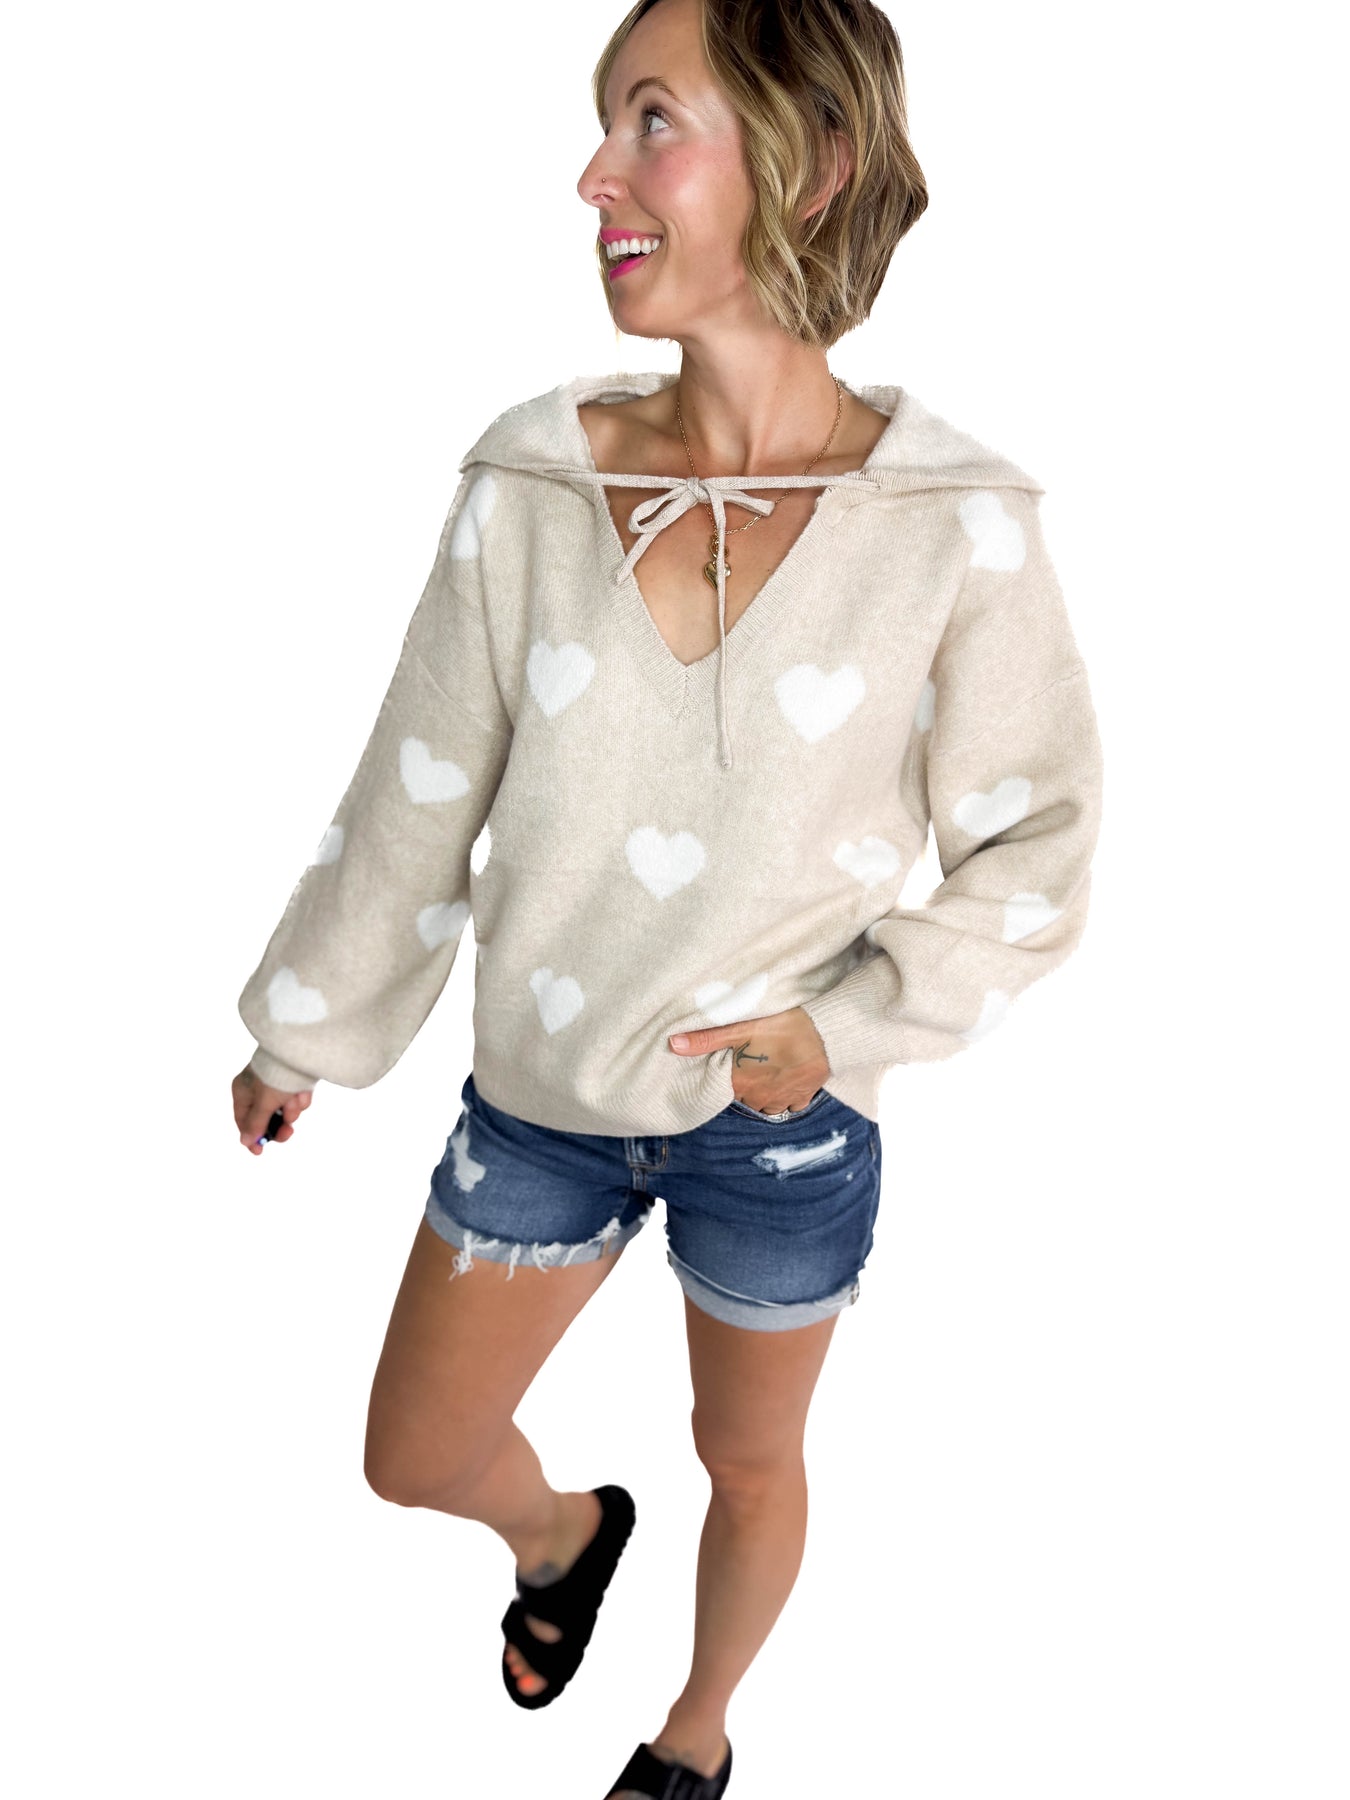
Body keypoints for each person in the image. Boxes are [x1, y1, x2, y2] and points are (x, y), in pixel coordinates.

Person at [231, 1, 1104, 1793]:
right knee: (411, 1453)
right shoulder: (531, 482)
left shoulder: (955, 519)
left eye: (650, 122)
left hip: (776, 1128)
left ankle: (693, 1735)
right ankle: (563, 1538)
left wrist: (842, 1029)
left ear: (813, 160)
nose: (592, 176)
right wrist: (305, 1029)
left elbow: (1038, 842)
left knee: (752, 1460)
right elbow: (416, 788)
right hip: (541, 1105)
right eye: (603, 125)